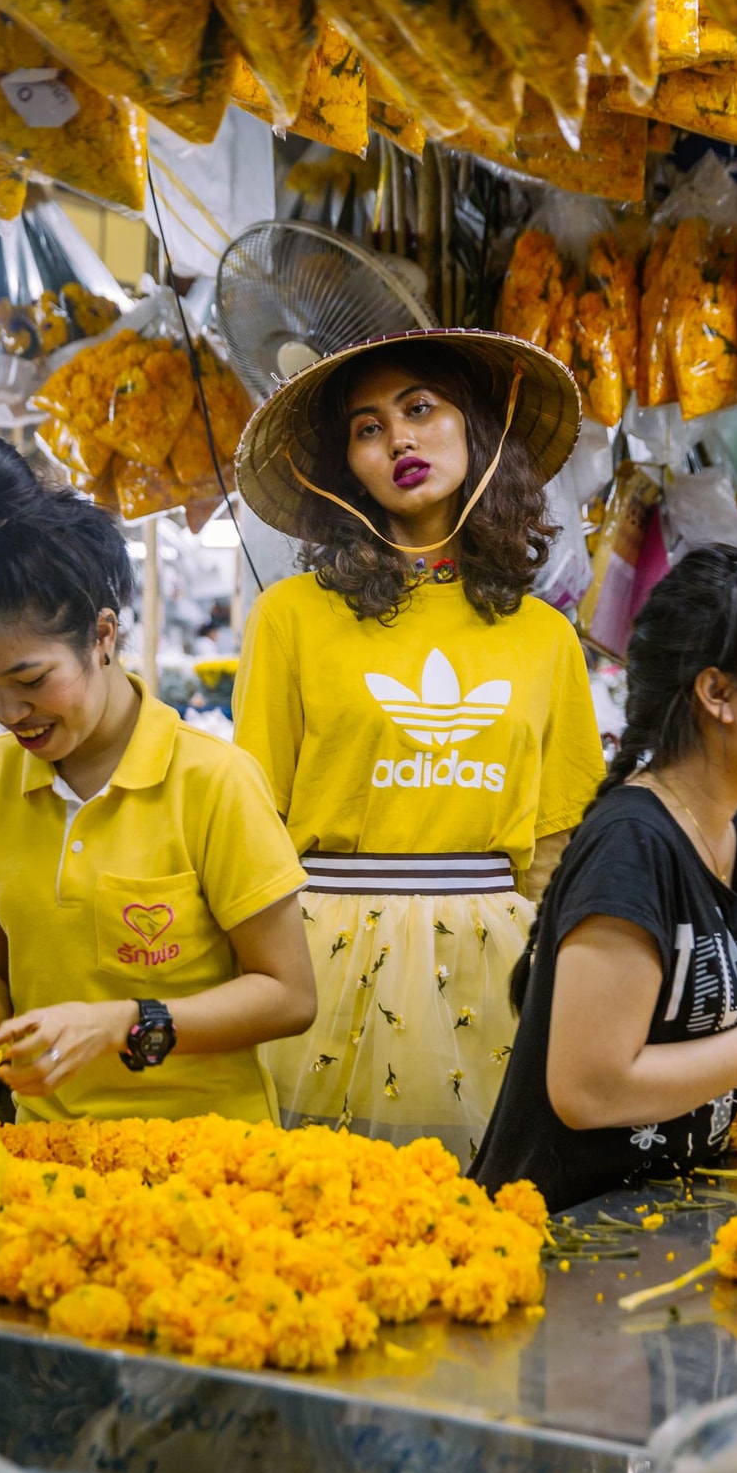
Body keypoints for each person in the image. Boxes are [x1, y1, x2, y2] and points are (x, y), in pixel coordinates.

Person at [232, 330, 605, 1164]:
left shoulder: (544, 636)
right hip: (322, 961)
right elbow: (250, 827)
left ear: (475, 428)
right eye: (367, 428)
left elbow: (558, 846)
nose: (398, 438)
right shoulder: (289, 617)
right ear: (343, 468)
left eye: (420, 408)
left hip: (494, 963)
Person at [0, 433, 316, 1124]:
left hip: (206, 1158)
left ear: (101, 635)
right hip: (47, 1148)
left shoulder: (212, 781)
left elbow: (288, 996)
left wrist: (127, 1022)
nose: (8, 713)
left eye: (30, 680)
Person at [470, 546, 737, 1212]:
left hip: (663, 1218)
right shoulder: (633, 846)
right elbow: (589, 1090)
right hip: (566, 1233)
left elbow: (711, 1042)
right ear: (717, 692)